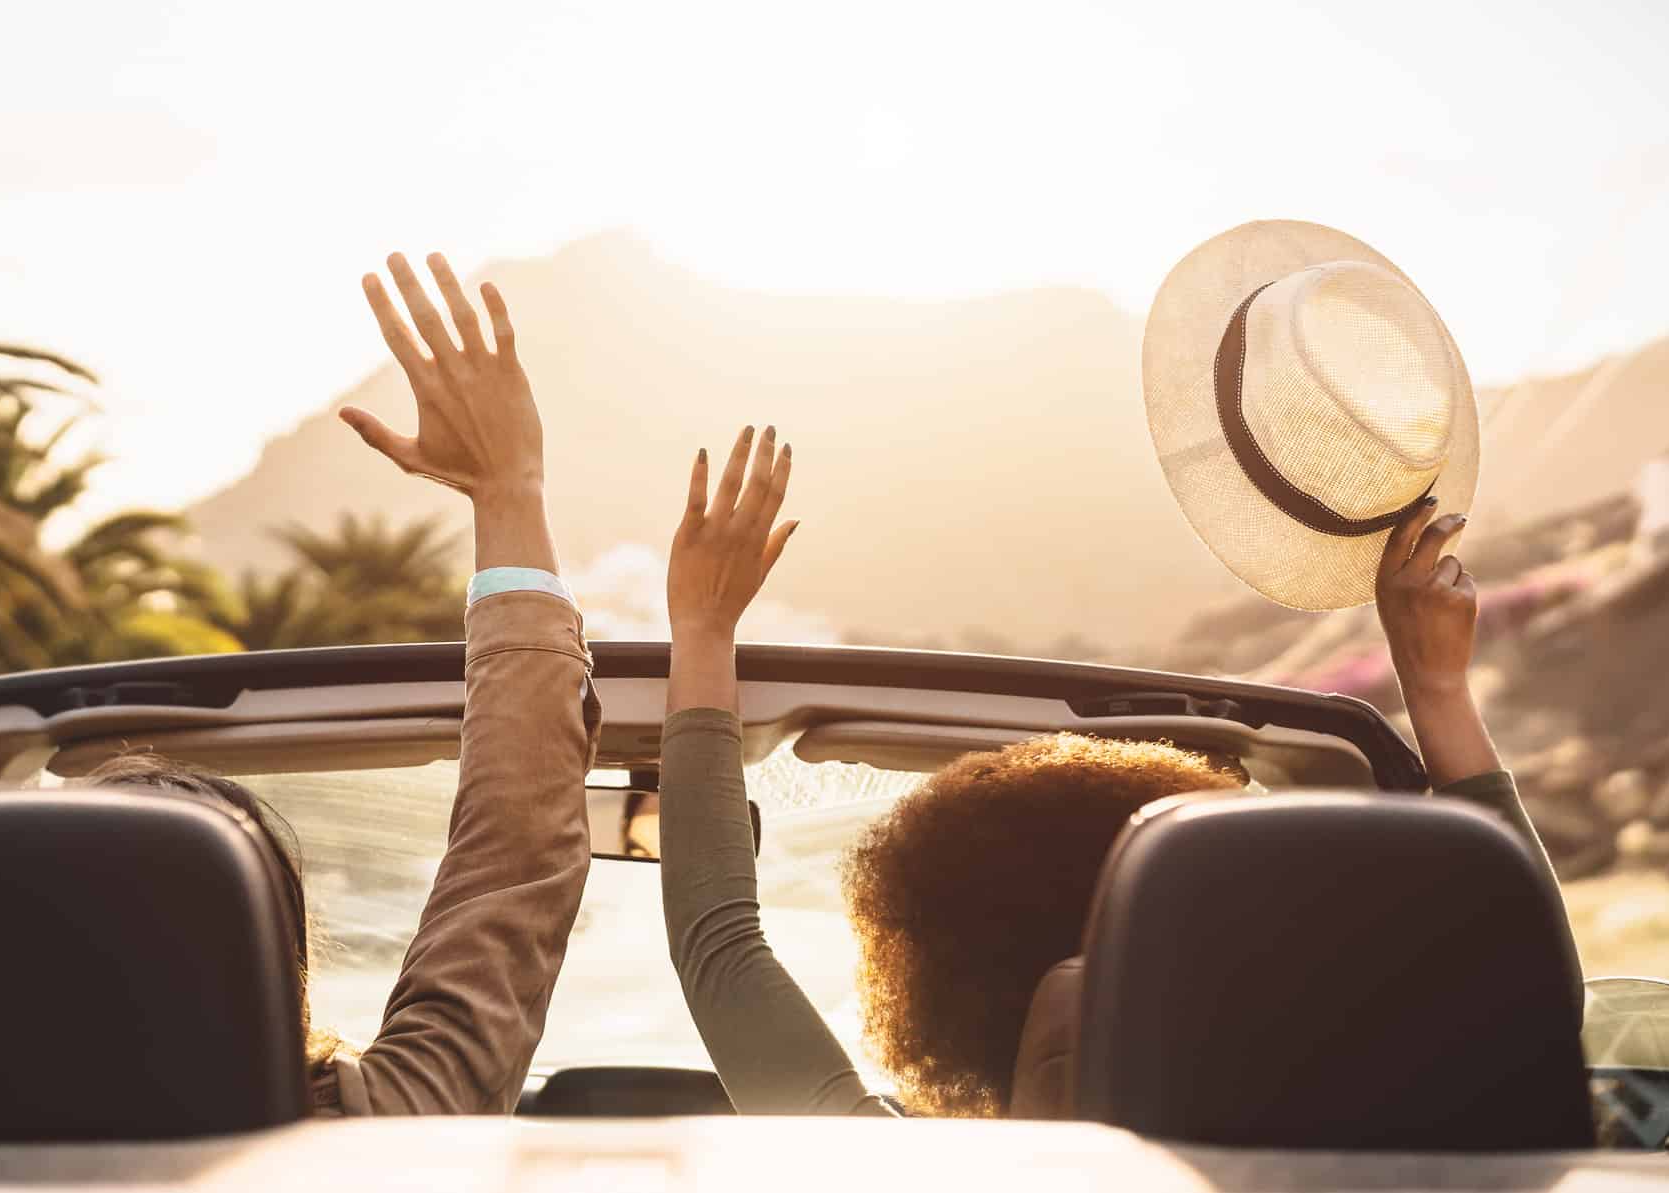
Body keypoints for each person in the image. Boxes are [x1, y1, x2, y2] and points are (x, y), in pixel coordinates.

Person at [656, 426, 1561, 1118]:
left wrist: (703, 631)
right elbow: (1528, 996)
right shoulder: (1367, 1164)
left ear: (931, 981)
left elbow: (719, 943)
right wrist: (1436, 688)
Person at [95, 251, 598, 1117]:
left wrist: (506, 488)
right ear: (267, 959)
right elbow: (513, 846)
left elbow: (513, 852)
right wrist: (508, 490)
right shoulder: (363, 1133)